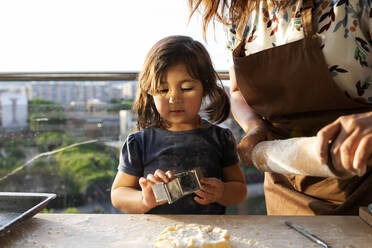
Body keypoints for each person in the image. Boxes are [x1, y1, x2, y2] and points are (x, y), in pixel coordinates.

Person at [188, 0, 372, 215]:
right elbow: (237, 92)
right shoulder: (241, 18)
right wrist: (254, 126)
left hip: (364, 180)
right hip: (284, 181)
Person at [111, 35, 247, 214]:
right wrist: (144, 199)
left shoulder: (220, 138)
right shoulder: (139, 142)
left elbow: (240, 190)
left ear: (205, 88)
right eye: (163, 90)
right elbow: (118, 194)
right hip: (157, 237)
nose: (174, 98)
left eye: (186, 88)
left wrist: (221, 191)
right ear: (150, 92)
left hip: (209, 236)